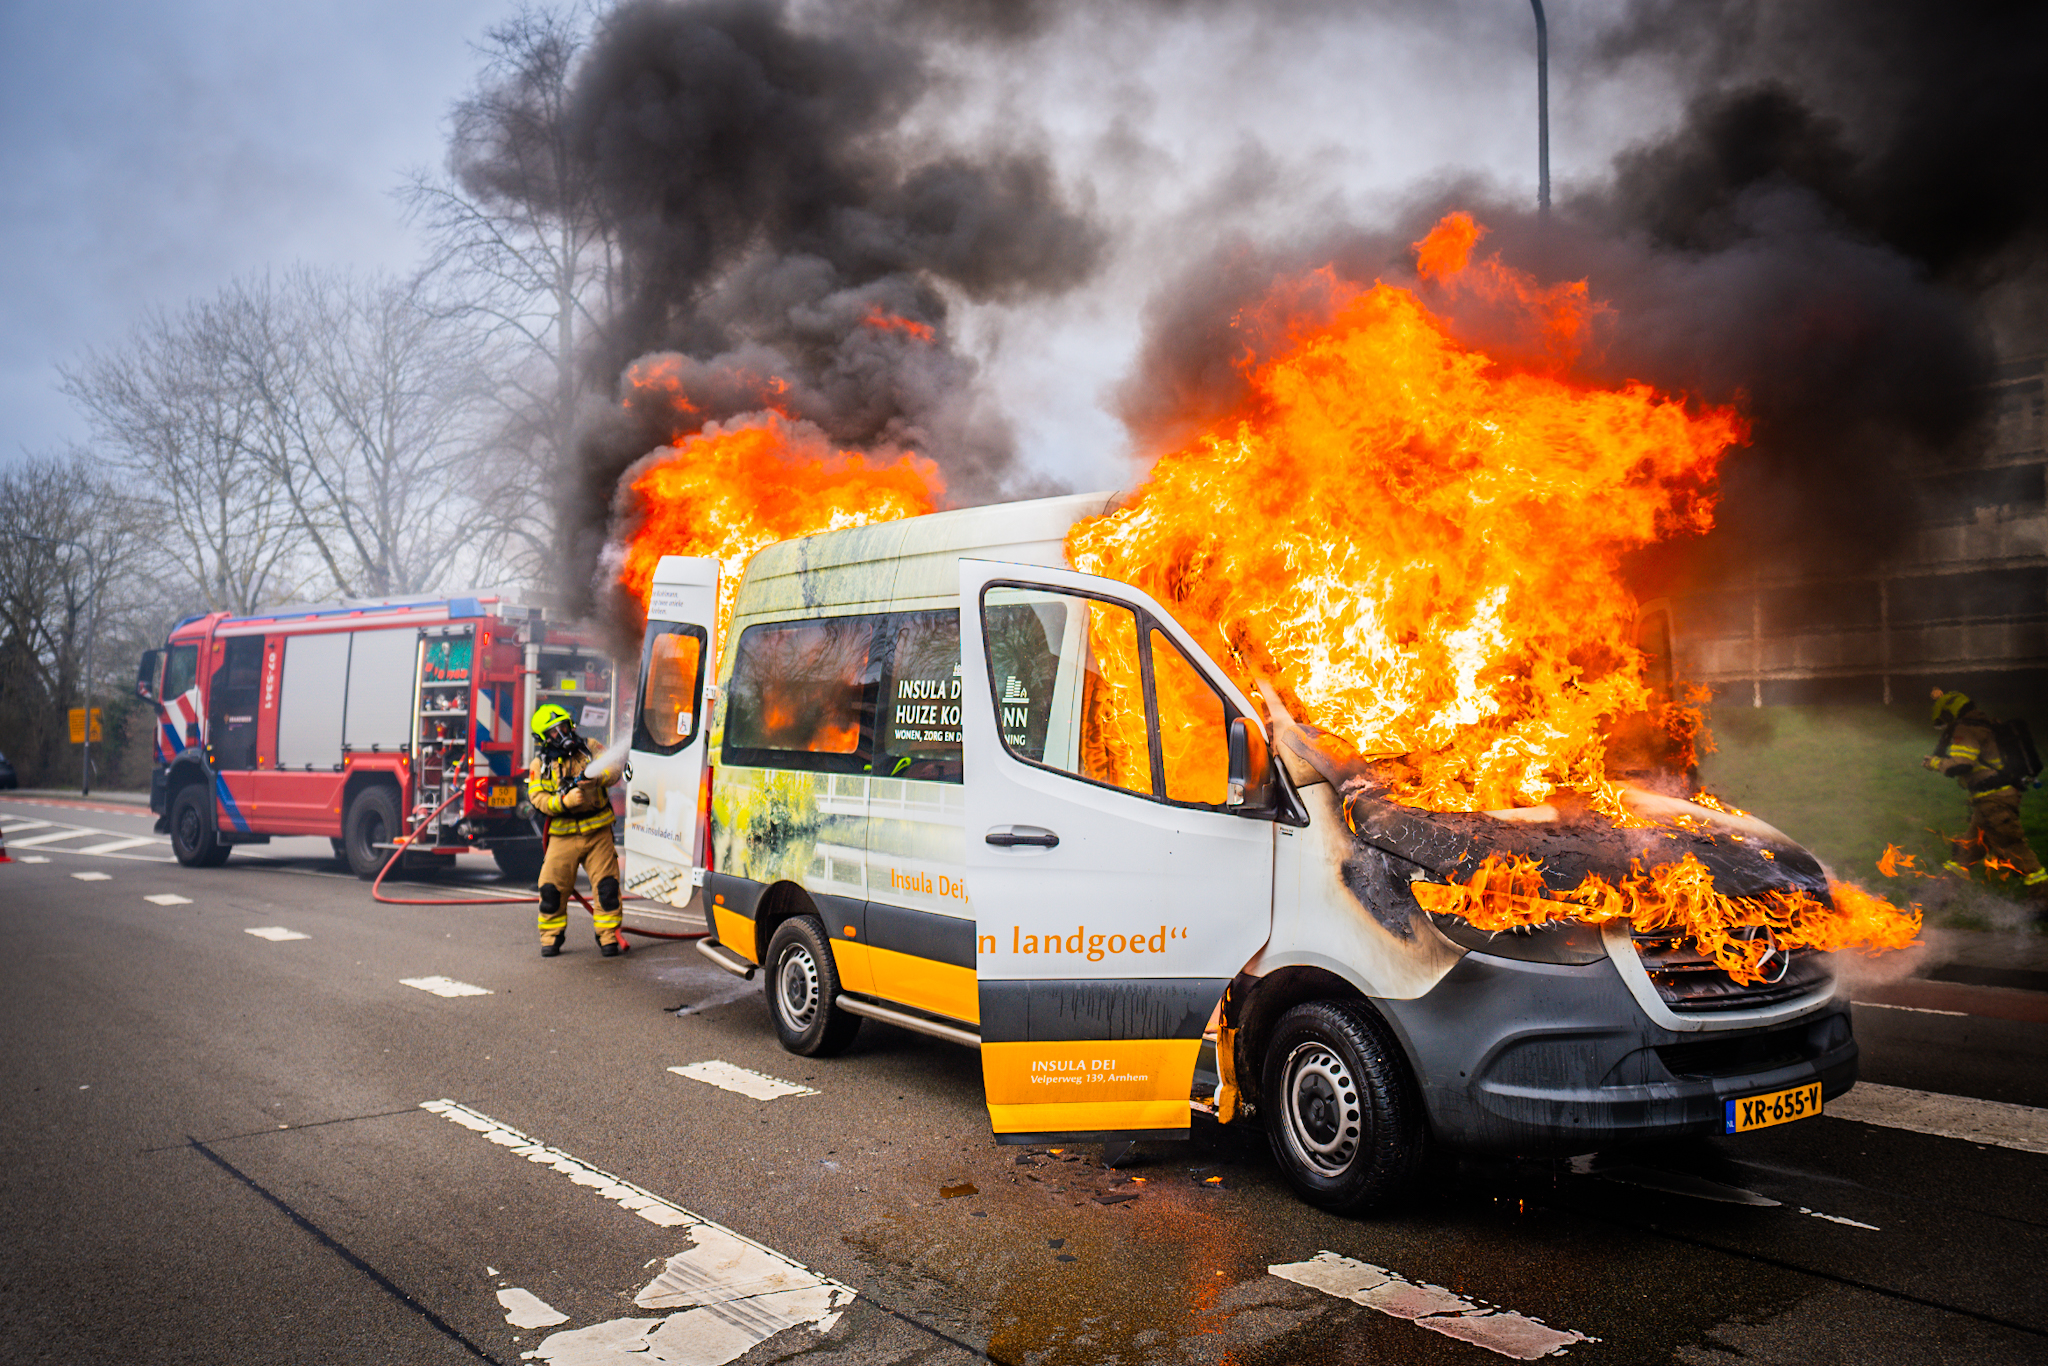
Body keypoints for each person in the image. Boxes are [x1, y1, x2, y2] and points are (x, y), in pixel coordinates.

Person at [1925, 689, 2047, 906]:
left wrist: (1935, 763)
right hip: (1990, 801)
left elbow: (1962, 764)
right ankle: (1939, 895)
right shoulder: (1987, 725)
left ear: (1950, 713)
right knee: (1966, 852)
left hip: (1994, 802)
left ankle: (2043, 899)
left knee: (2015, 849)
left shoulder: (1966, 729)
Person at [526, 704, 626, 957]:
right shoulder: (540, 764)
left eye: (563, 726)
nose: (561, 733)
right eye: (553, 731)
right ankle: (551, 937)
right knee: (551, 889)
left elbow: (614, 769)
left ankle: (608, 937)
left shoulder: (590, 748)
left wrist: (597, 778)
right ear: (543, 738)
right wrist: (563, 802)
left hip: (598, 832)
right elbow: (537, 797)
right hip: (563, 835)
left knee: (607, 888)